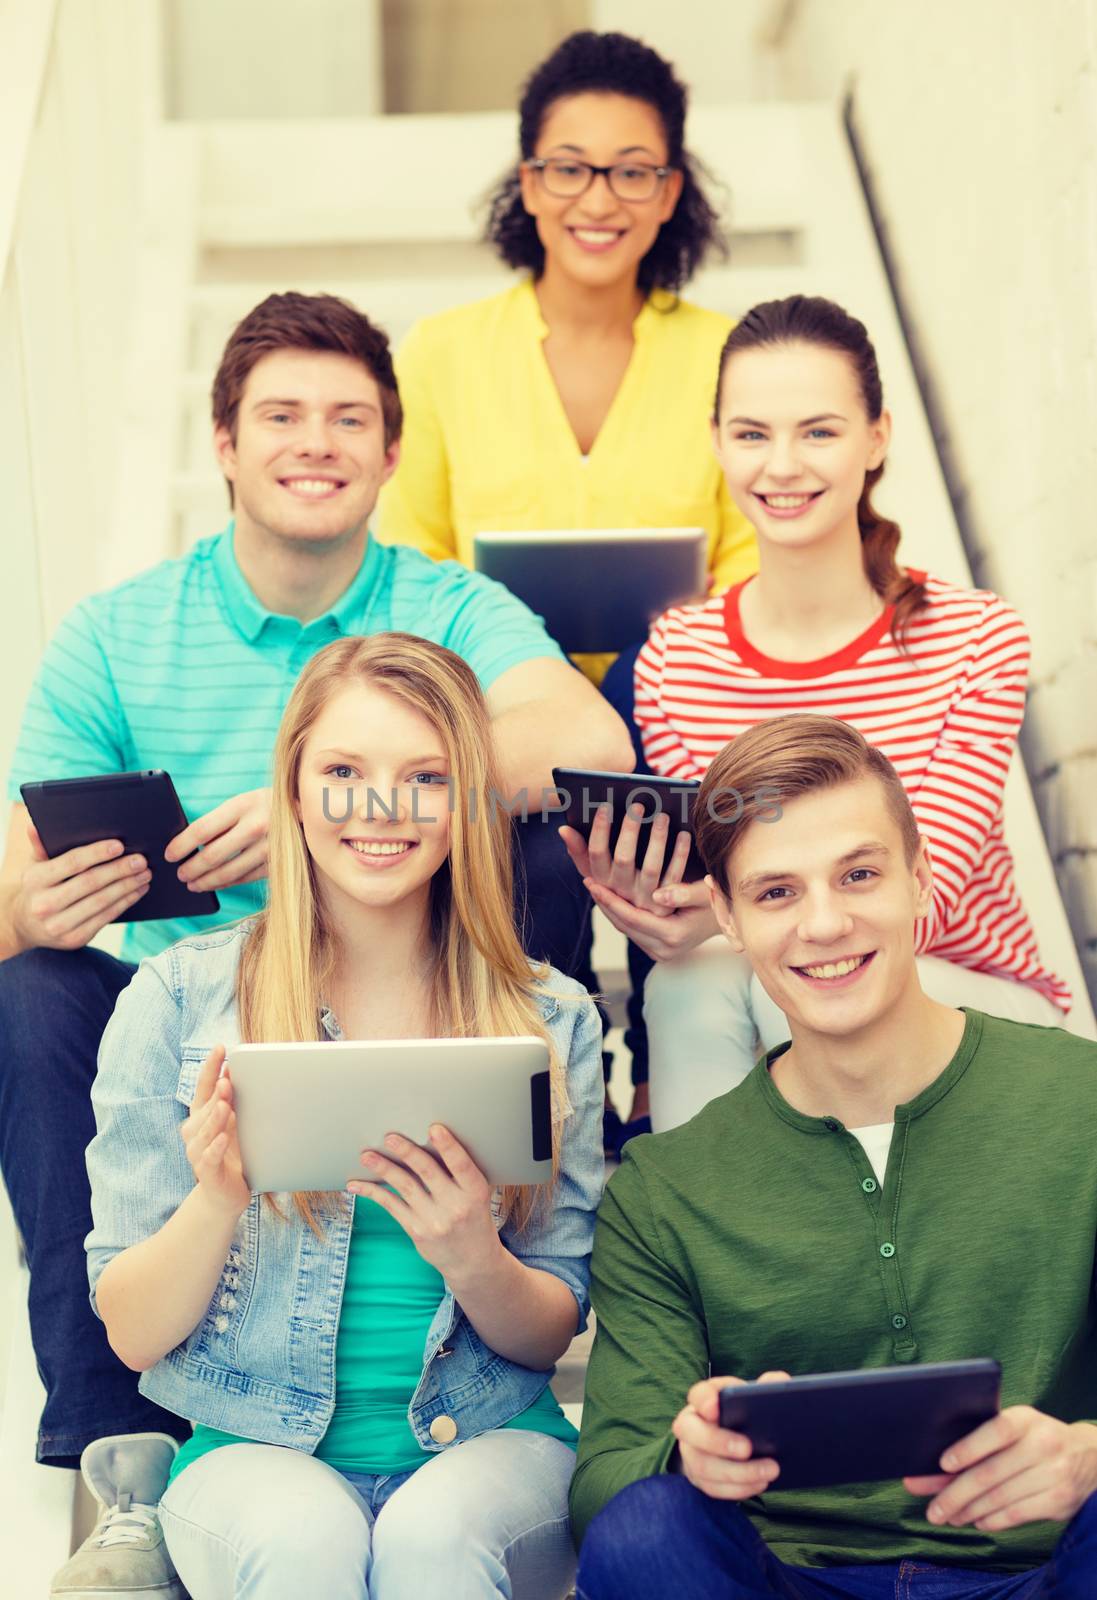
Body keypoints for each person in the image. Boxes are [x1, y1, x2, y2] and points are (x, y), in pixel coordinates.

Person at [0, 292, 629, 1589]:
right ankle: (120, 1452)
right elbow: (15, 868)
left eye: (349, 416)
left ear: (394, 455)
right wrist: (34, 909)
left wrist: (345, 802)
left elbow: (589, 747)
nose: (315, 441)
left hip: (434, 967)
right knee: (35, 988)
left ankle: (485, 1015)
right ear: (223, 441)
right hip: (215, 1000)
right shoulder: (120, 630)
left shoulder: (446, 604)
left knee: (540, 847)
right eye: (281, 414)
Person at [78, 633, 604, 1600]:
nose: (381, 808)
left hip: (490, 1436)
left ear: (465, 803)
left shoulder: (551, 1015)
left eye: (425, 775)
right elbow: (130, 1334)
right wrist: (216, 1200)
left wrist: (470, 1255)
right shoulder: (177, 997)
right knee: (306, 1542)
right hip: (252, 1446)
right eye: (344, 771)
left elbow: (550, 1328)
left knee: (434, 1545)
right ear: (293, 791)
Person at [571, 714, 1097, 1599]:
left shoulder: (1078, 1098)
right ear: (728, 919)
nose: (825, 922)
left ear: (920, 882)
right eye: (775, 893)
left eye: (858, 875)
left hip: (1046, 1571)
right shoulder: (665, 1189)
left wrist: (1086, 1456)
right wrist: (686, 1455)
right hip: (793, 1580)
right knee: (644, 1531)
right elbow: (601, 1488)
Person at [560, 294, 1069, 1133]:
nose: (782, 466)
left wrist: (730, 923)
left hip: (971, 1000)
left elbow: (915, 898)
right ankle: (718, 1247)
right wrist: (671, 911)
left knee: (771, 976)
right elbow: (721, 880)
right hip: (779, 982)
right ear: (717, 441)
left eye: (818, 432)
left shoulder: (977, 637)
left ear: (876, 438)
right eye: (752, 434)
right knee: (692, 981)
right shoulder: (677, 657)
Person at [378, 29, 759, 1132]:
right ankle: (551, 1119)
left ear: (670, 188)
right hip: (508, 730)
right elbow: (410, 569)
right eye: (568, 165)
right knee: (539, 861)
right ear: (527, 181)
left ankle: (666, 1105)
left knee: (666, 782)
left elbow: (749, 567)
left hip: (678, 724)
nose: (600, 196)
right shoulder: (442, 356)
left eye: (632, 168)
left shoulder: (725, 355)